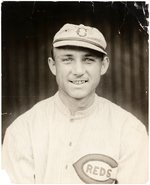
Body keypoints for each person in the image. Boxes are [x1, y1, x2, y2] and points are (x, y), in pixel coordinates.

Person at [2, 23, 148, 184]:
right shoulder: (23, 130)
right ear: (53, 65)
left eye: (88, 60)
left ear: (104, 65)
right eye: (67, 59)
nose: (78, 70)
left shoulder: (130, 131)